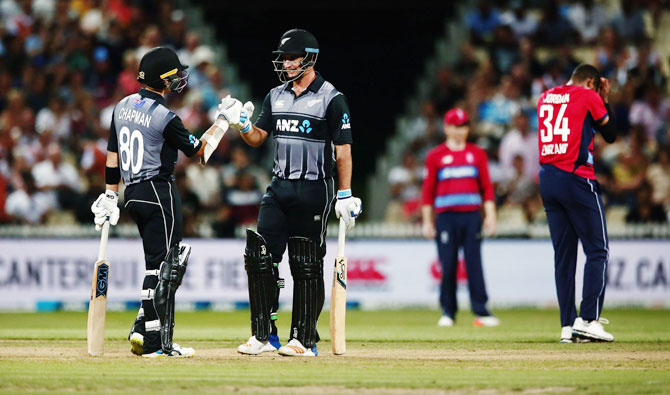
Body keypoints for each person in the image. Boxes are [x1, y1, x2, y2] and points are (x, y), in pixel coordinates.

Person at [221, 28, 362, 357]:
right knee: (260, 258)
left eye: (291, 57)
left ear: (309, 59)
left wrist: (345, 194)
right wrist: (242, 126)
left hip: (315, 188)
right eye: (282, 58)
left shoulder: (331, 97)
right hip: (279, 187)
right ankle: (263, 335)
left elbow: (343, 151)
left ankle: (304, 339)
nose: (285, 63)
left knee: (306, 264)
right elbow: (258, 138)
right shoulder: (276, 95)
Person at [90, 46, 233, 358]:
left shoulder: (122, 106)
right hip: (158, 190)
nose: (179, 78)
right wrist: (223, 122)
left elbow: (112, 155)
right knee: (164, 268)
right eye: (175, 74)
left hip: (131, 194)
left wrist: (110, 193)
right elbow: (202, 153)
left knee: (156, 263)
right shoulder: (165, 117)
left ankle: (143, 327)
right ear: (163, 78)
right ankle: (158, 342)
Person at [537, 64, 618, 343]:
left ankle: (567, 326)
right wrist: (604, 99)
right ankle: (589, 320)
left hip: (547, 177)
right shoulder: (589, 96)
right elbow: (611, 134)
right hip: (576, 178)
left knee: (564, 256)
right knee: (598, 250)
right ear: (592, 83)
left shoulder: (545, 97)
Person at [421, 108, 499, 328]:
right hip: (446, 218)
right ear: (446, 128)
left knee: (474, 264)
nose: (460, 131)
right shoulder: (435, 156)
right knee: (448, 265)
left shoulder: (477, 154)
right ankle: (448, 312)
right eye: (455, 126)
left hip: (471, 216)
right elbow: (428, 192)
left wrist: (490, 216)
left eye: (463, 126)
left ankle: (481, 311)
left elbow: (487, 188)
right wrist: (428, 221)